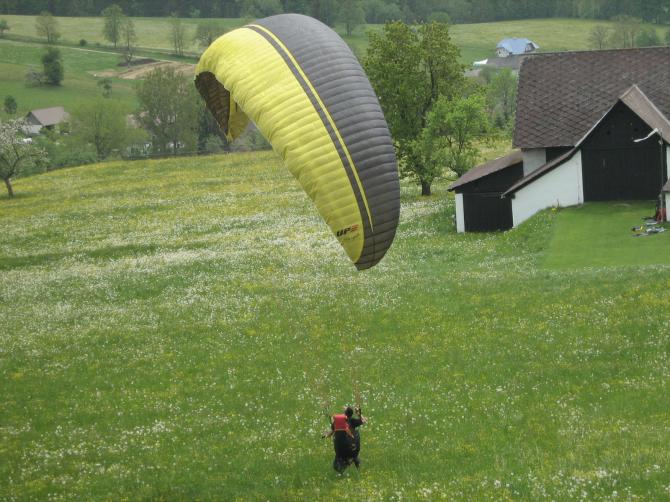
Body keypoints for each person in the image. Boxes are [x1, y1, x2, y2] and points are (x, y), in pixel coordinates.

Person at [323, 406, 356, 473]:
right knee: (343, 458)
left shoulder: (338, 422)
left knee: (336, 465)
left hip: (339, 445)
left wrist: (326, 435)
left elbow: (331, 432)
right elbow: (347, 430)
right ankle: (348, 461)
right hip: (346, 443)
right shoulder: (347, 421)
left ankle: (344, 469)